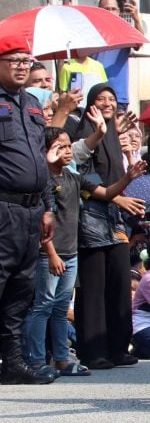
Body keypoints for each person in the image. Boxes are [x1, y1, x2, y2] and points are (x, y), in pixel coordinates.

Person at [24, 127, 145, 377]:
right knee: (43, 306)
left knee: (58, 308)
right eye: (60, 146)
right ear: (47, 151)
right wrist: (52, 253)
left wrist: (128, 177)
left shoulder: (74, 178)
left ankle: (61, 359)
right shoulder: (43, 180)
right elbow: (42, 218)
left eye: (69, 146)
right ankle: (35, 360)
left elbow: (106, 194)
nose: (67, 151)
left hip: (70, 253)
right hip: (50, 254)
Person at [73, 82, 147, 370]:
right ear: (90, 104)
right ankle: (93, 351)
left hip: (115, 219)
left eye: (112, 99)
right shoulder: (86, 132)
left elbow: (119, 174)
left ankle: (118, 347)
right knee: (94, 287)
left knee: (119, 282)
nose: (107, 103)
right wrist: (120, 200)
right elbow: (85, 181)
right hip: (91, 217)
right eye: (100, 99)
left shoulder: (115, 135)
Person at [0, 36, 57, 385]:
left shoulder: (32, 106)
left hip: (32, 211)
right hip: (3, 207)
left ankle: (13, 362)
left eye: (26, 61)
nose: (21, 67)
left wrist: (48, 207)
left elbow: (40, 160)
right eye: (13, 60)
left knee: (22, 289)